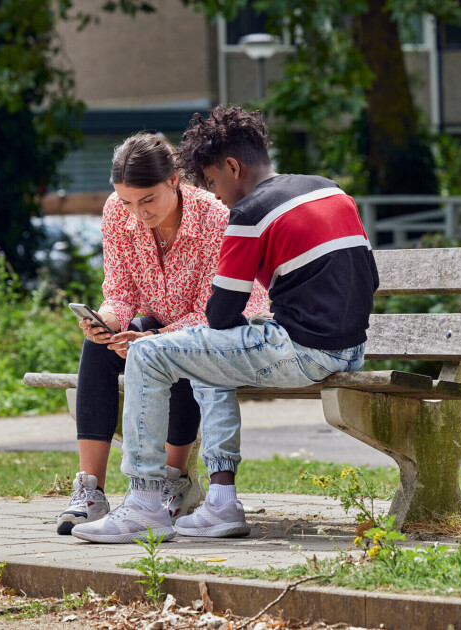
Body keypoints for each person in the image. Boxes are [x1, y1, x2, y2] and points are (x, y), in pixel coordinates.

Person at [72, 107, 380, 544]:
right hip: (351, 346)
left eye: (214, 181)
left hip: (302, 348)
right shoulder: (329, 190)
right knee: (208, 352)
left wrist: (172, 333)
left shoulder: (251, 212)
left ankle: (144, 506)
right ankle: (219, 504)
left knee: (153, 351)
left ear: (233, 168)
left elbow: (220, 315)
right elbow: (371, 276)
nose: (216, 194)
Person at [56, 131, 270, 535]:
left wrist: (157, 339)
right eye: (127, 201)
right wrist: (106, 322)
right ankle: (90, 490)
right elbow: (120, 291)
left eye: (147, 199)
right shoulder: (117, 213)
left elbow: (217, 310)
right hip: (161, 321)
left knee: (178, 351)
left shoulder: (214, 217)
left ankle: (175, 481)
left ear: (174, 180)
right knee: (97, 346)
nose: (137, 213)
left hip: (220, 328)